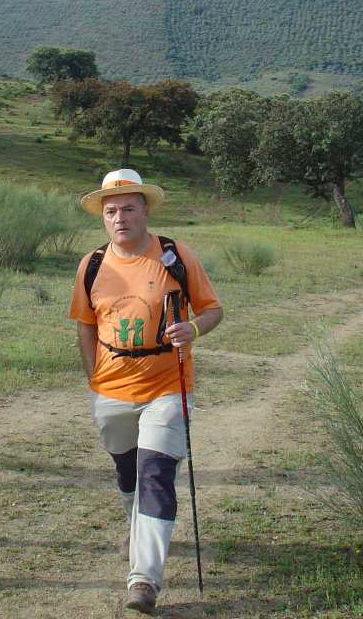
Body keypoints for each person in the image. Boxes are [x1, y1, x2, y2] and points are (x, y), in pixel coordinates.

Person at [69, 169, 224, 615]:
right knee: (127, 473)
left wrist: (192, 329)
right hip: (111, 387)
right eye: (111, 211)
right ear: (103, 217)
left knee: (155, 471)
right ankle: (136, 528)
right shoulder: (92, 264)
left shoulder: (175, 255)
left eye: (129, 209)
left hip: (168, 383)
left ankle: (144, 578)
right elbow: (84, 323)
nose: (120, 218)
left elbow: (213, 309)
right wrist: (93, 376)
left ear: (146, 211)